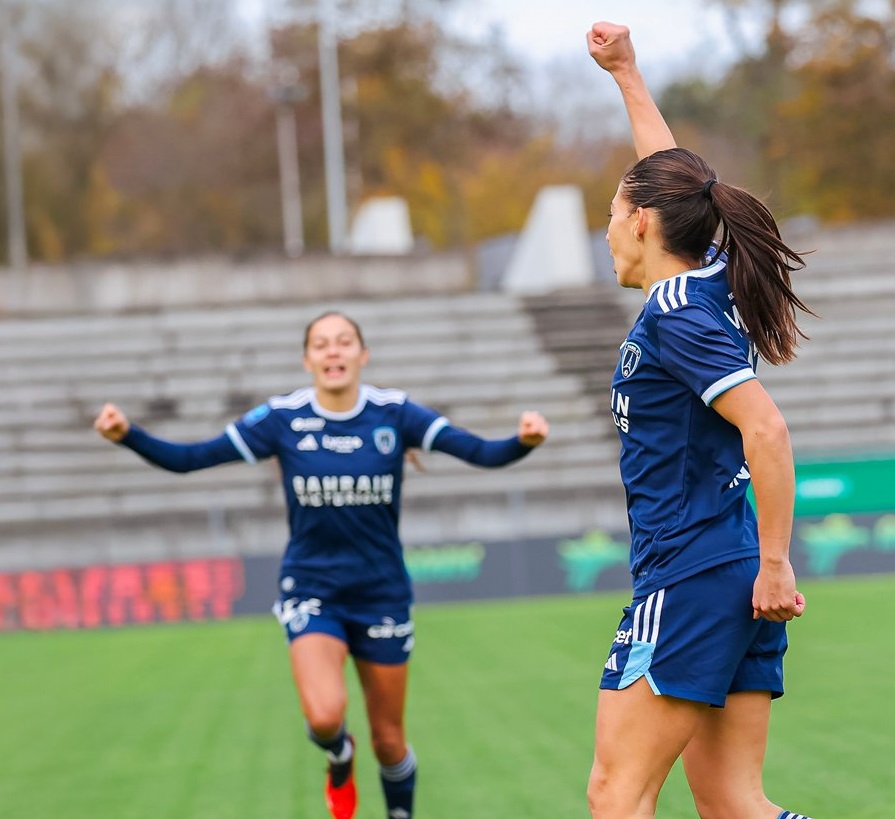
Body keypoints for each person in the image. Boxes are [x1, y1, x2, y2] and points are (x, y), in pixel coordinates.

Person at [93, 311, 549, 819]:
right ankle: (338, 753)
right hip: (313, 590)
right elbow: (189, 458)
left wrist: (522, 442)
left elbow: (481, 452)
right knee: (327, 715)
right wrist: (127, 433)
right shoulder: (282, 419)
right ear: (307, 359)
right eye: (322, 344)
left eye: (344, 342)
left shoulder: (394, 413)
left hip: (382, 594)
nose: (334, 351)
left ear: (362, 354)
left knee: (390, 741)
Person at [586, 21, 815, 819]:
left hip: (691, 575)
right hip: (727, 568)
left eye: (611, 213)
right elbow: (673, 181)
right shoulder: (702, 283)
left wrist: (777, 562)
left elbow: (768, 430)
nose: (606, 230)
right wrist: (627, 76)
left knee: (615, 794)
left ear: (643, 224)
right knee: (729, 802)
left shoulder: (674, 315)